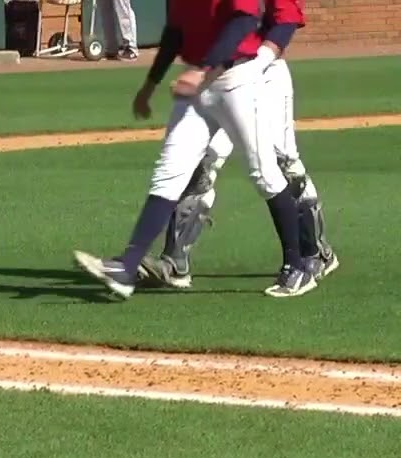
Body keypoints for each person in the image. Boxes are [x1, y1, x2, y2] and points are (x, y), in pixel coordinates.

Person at [73, 0, 322, 300]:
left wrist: (206, 68)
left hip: (237, 81)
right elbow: (174, 33)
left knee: (264, 173)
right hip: (196, 86)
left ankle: (297, 266)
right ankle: (128, 266)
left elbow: (244, 20)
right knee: (169, 173)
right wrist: (150, 84)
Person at [140, 0, 338, 289]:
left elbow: (286, 20)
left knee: (283, 164)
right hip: (219, 75)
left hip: (264, 71)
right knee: (204, 161)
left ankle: (314, 251)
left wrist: (257, 60)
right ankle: (175, 262)